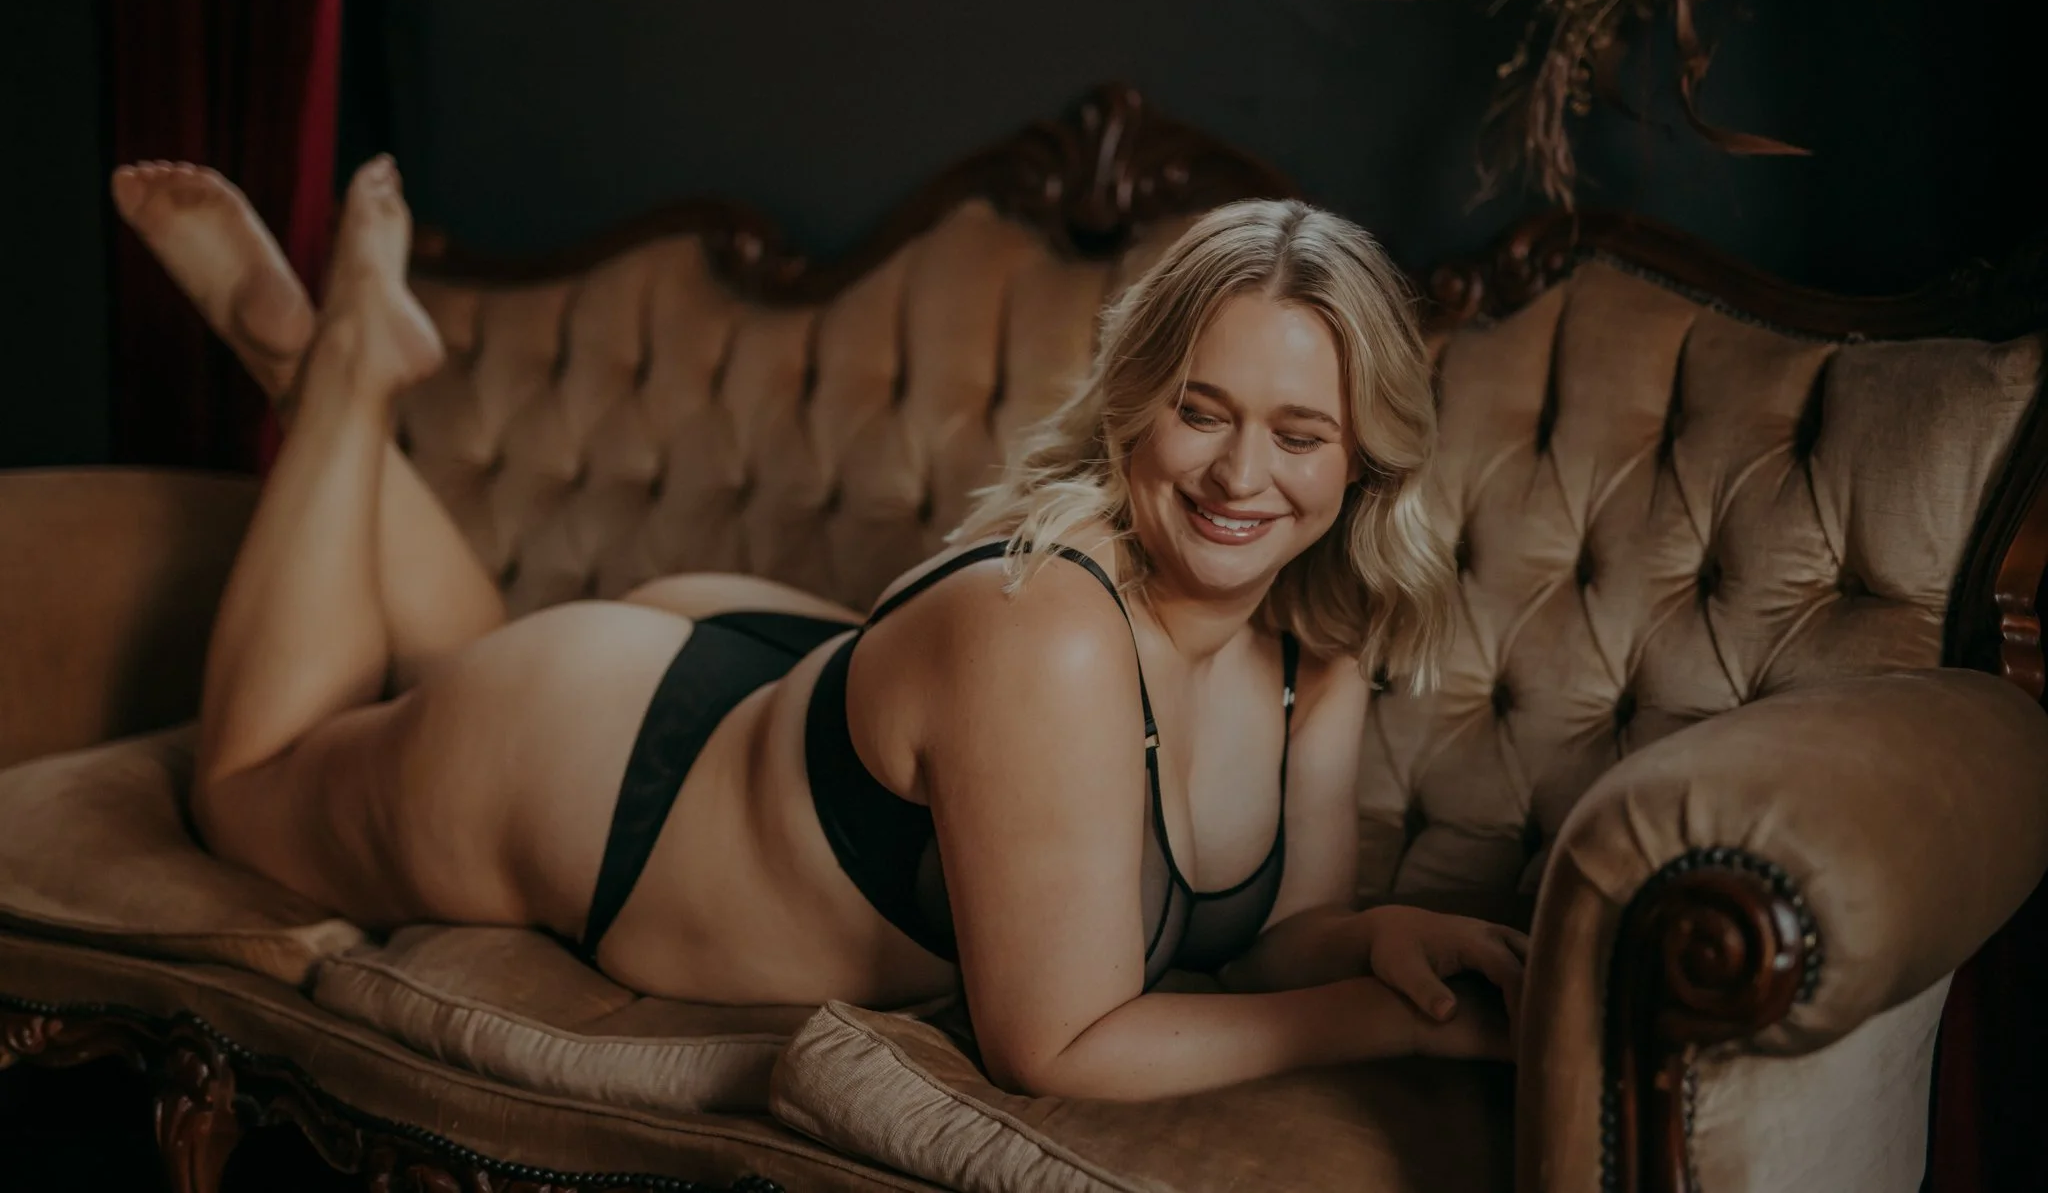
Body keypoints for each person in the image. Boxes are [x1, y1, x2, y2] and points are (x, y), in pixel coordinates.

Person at [110, 157, 1527, 1102]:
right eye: (1202, 411)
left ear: (1362, 461)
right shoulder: (1059, 634)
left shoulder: (1314, 664)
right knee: (248, 789)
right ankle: (337, 364)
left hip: (778, 695)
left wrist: (1373, 941)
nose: (1238, 476)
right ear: (1133, 405)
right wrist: (1372, 1025)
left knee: (439, 654)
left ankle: (335, 372)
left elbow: (1274, 938)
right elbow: (1059, 1042)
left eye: (1300, 433)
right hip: (606, 776)